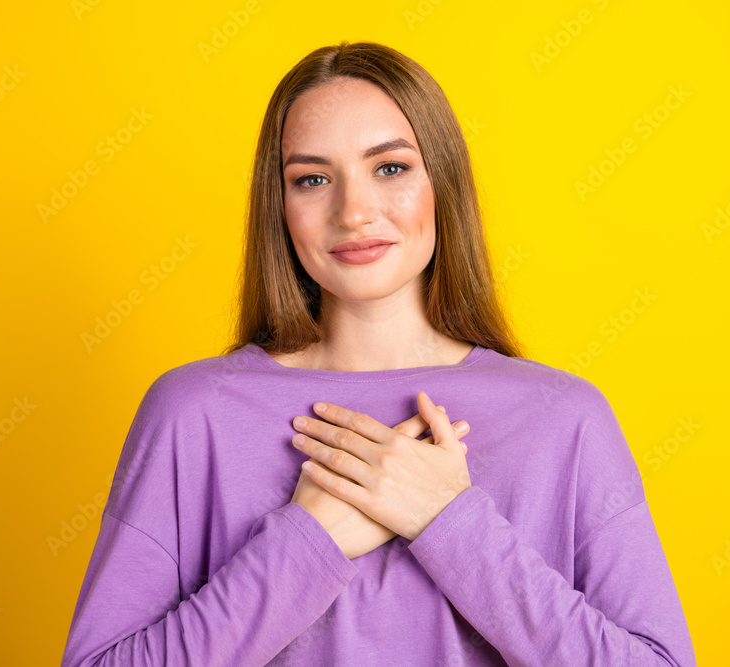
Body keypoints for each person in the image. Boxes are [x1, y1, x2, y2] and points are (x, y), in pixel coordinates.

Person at [60, 40, 697, 666]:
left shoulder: (563, 417)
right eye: (312, 179)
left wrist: (451, 523)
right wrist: (306, 543)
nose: (354, 212)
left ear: (442, 184)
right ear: (280, 209)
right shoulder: (192, 414)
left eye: (389, 168)